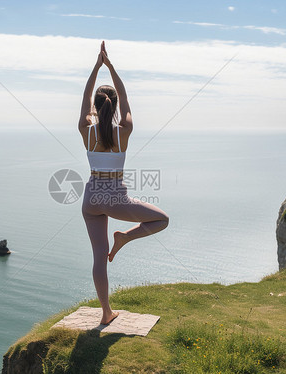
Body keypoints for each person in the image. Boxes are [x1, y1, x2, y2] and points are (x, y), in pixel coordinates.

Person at [78, 41, 170, 325]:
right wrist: (111, 67)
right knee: (162, 220)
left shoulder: (85, 130)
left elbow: (84, 98)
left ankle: (106, 313)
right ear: (115, 105)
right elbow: (126, 98)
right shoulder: (124, 131)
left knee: (98, 257)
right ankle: (125, 237)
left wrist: (96, 67)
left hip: (91, 198)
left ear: (95, 105)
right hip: (116, 199)